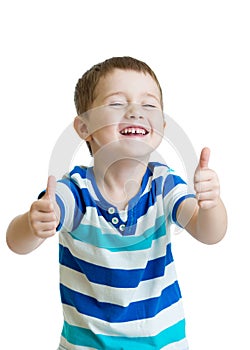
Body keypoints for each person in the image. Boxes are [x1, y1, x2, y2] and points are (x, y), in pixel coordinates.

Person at [6, 56, 227, 350]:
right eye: (117, 103)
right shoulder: (74, 192)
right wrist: (34, 225)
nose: (136, 111)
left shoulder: (164, 185)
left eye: (149, 105)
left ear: (161, 125)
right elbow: (16, 242)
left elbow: (209, 233)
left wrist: (211, 205)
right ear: (84, 128)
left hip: (162, 343)